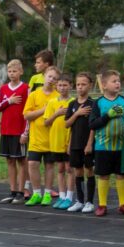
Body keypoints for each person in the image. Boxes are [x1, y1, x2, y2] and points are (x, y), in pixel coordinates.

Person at [88, 70, 124, 217]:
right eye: (114, 81)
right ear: (104, 85)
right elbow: (93, 124)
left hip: (121, 146)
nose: (118, 83)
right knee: (103, 175)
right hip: (103, 146)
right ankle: (102, 205)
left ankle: (123, 204)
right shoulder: (98, 102)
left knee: (121, 175)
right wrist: (108, 115)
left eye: (118, 81)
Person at [0, 59, 28, 203]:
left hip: (19, 131)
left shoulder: (26, 88)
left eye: (15, 71)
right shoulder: (3, 89)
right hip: (6, 131)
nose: (12, 74)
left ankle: (21, 191)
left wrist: (25, 132)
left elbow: (29, 111)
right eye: (10, 71)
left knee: (21, 161)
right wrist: (9, 101)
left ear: (21, 72)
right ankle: (13, 191)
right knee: (9, 161)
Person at [24, 67, 58, 206]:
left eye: (55, 78)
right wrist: (43, 109)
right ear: (44, 77)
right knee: (32, 164)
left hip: (51, 138)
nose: (51, 80)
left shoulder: (57, 96)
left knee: (49, 165)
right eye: (50, 76)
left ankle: (48, 193)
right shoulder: (34, 95)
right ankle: (36, 193)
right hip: (36, 139)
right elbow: (27, 115)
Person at [63, 71, 97, 213]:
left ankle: (89, 201)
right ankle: (79, 200)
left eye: (83, 84)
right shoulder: (72, 104)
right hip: (75, 142)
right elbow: (67, 124)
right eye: (78, 84)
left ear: (90, 85)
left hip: (87, 143)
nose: (80, 87)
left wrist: (89, 144)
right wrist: (77, 113)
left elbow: (93, 126)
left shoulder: (93, 104)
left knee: (89, 170)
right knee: (77, 170)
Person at [43, 72, 75, 209]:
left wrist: (71, 142)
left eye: (65, 85)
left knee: (69, 169)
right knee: (60, 168)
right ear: (56, 87)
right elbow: (46, 122)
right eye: (60, 85)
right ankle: (62, 196)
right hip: (55, 140)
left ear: (70, 86)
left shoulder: (73, 102)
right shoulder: (52, 103)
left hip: (68, 140)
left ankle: (69, 196)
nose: (62, 88)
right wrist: (56, 114)